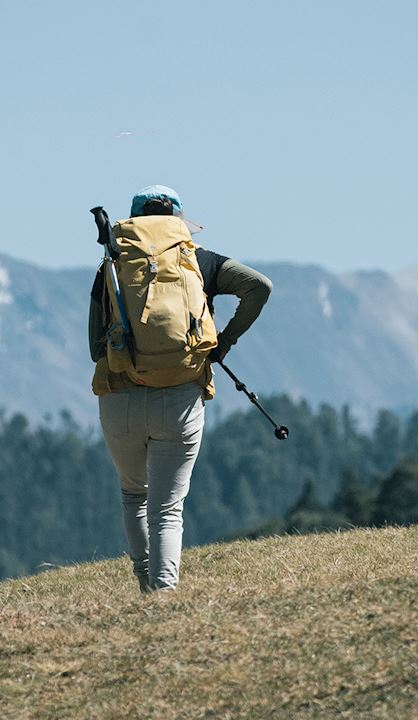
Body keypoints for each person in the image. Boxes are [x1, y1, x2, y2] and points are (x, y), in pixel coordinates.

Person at [88, 185, 273, 592]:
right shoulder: (199, 260)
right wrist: (223, 343)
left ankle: (143, 584)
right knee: (167, 510)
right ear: (178, 220)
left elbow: (94, 344)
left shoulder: (114, 262)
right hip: (181, 396)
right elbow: (259, 286)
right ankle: (163, 598)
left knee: (135, 495)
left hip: (121, 396)